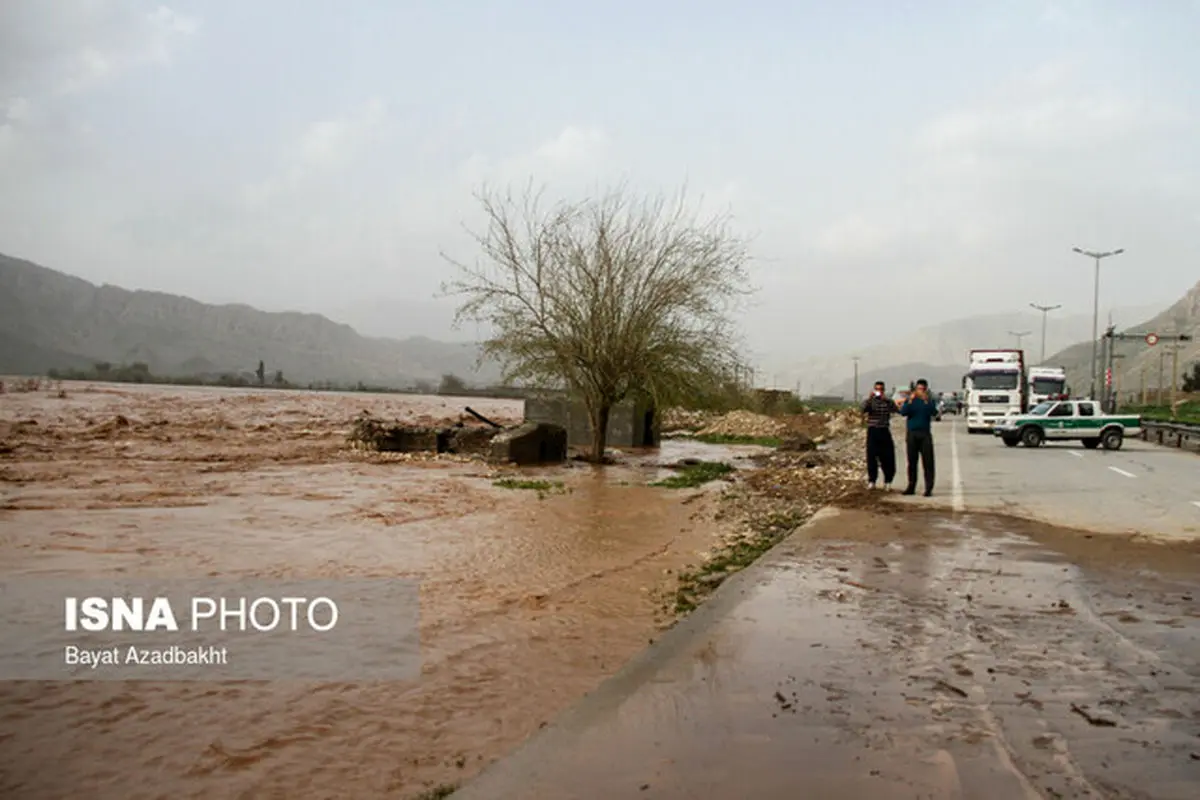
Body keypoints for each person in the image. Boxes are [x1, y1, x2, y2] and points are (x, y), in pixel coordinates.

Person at [897, 378, 936, 496]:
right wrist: (909, 401)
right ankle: (911, 486)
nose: (921, 391)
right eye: (919, 389)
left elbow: (933, 412)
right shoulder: (911, 400)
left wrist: (926, 401)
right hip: (912, 434)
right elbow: (903, 412)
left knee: (928, 462)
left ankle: (928, 488)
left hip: (925, 434)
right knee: (912, 462)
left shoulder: (929, 400)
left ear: (926, 389)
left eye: (923, 389)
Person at [860, 380, 898, 490]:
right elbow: (862, 409)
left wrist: (886, 399)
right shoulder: (871, 402)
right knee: (872, 456)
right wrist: (869, 398)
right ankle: (872, 480)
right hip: (873, 430)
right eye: (877, 389)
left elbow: (895, 409)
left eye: (881, 390)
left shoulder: (887, 401)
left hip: (884, 430)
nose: (879, 392)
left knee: (887, 456)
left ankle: (888, 481)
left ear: (884, 390)